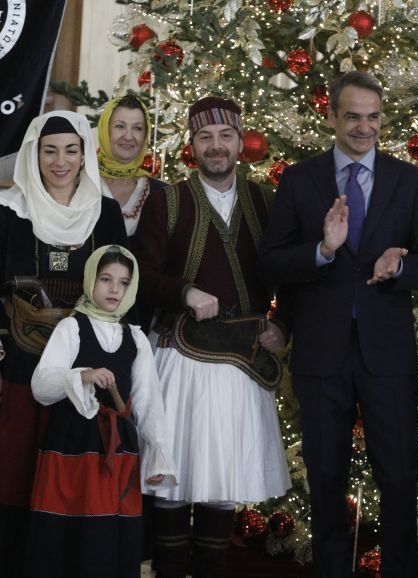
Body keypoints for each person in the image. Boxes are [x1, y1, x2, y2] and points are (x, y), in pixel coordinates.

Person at [260, 71, 418, 577]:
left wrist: (400, 267)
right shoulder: (300, 180)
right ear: (332, 116)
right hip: (321, 354)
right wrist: (322, 251)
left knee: (400, 475)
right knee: (325, 479)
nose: (365, 127)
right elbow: (271, 261)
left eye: (374, 117)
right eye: (353, 116)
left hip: (388, 356)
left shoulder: (408, 180)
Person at [0, 110, 128, 578]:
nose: (60, 161)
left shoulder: (105, 212)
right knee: (12, 473)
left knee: (70, 477)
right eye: (49, 150)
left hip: (82, 368)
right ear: (34, 155)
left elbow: (122, 288)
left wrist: (110, 362)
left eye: (71, 150)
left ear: (84, 155)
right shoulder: (8, 209)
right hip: (17, 361)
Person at [132, 96, 291, 578]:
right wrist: (185, 291)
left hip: (242, 362)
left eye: (225, 136)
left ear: (241, 142)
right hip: (179, 356)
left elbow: (291, 275)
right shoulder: (167, 200)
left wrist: (283, 325)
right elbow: (143, 275)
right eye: (205, 137)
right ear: (192, 145)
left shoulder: (266, 201)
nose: (215, 146)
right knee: (172, 481)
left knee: (223, 481)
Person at [28, 244, 176, 577]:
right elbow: (42, 387)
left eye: (123, 282)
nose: (114, 289)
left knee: (110, 536)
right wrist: (83, 376)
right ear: (91, 279)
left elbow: (149, 401)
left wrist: (158, 454)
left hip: (117, 449)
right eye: (106, 279)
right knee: (68, 535)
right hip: (73, 444)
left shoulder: (135, 338)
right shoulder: (71, 328)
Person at [97, 94, 167, 236]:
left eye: (138, 128)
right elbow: (59, 242)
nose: (129, 136)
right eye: (120, 126)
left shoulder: (163, 194)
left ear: (145, 135)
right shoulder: (80, 184)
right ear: (105, 130)